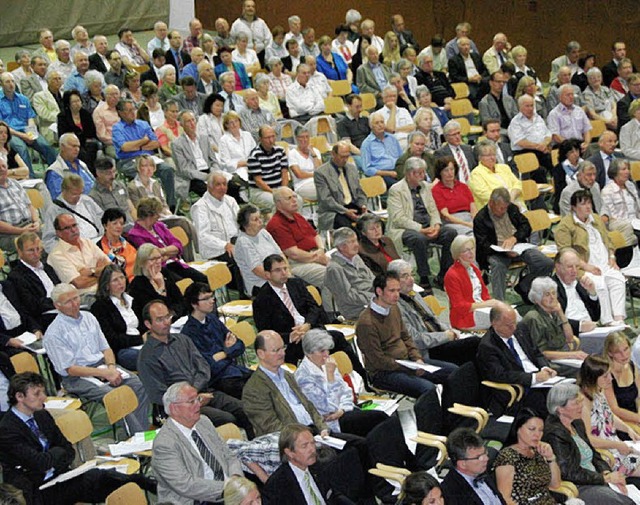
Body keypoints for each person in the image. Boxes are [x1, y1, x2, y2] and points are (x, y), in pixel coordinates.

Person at [0, 372, 155, 505]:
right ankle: (142, 482)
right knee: (97, 479)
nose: (44, 398)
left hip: (60, 475)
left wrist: (54, 455)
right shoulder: (7, 429)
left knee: (104, 481)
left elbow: (67, 449)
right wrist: (56, 454)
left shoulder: (41, 415)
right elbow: (41, 463)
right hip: (37, 490)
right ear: (19, 396)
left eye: (43, 392)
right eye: (37, 394)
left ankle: (139, 482)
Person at [44, 283, 150, 431]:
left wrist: (111, 368)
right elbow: (70, 369)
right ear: (57, 306)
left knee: (137, 384)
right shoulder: (54, 333)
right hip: (77, 377)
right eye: (68, 302)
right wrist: (105, 373)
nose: (75, 304)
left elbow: (105, 348)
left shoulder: (89, 317)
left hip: (102, 365)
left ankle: (140, 429)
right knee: (115, 396)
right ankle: (135, 434)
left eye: (76, 298)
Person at [253, 254, 364, 376]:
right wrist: (290, 336)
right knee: (327, 342)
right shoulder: (261, 300)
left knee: (337, 338)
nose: (284, 273)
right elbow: (265, 332)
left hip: (311, 330)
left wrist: (308, 324)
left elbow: (314, 307)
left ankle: (362, 377)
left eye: (285, 268)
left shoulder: (296, 284)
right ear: (268, 274)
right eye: (278, 270)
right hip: (292, 342)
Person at [357, 272, 454, 398]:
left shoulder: (393, 308)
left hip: (407, 362)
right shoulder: (366, 323)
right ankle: (431, 417)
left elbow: (406, 337)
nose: (397, 295)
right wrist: (410, 368)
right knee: (427, 389)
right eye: (392, 291)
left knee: (452, 371)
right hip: (384, 372)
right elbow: (378, 361)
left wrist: (417, 358)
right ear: (379, 291)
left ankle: (450, 414)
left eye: (398, 290)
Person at [543, 382, 635, 505]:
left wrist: (607, 472)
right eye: (576, 403)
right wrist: (603, 478)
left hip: (596, 478)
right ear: (560, 408)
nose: (581, 406)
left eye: (581, 401)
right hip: (579, 485)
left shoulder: (577, 423)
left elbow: (594, 454)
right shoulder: (554, 433)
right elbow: (568, 472)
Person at [152, 382, 244, 505]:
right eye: (191, 401)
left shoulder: (203, 422)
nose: (198, 405)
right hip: (195, 500)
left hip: (227, 489)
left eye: (198, 399)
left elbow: (229, 455)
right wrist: (229, 488)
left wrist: (236, 477)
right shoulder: (165, 443)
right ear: (174, 408)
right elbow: (186, 485)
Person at [294, 329, 387, 436]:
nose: (326, 355)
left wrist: (343, 409)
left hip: (345, 411)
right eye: (321, 351)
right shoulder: (303, 377)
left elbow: (347, 391)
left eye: (327, 350)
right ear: (308, 353)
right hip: (331, 423)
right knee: (380, 419)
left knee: (381, 422)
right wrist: (330, 378)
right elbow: (328, 409)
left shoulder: (327, 364)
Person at [555, 189, 626, 325]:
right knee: (599, 285)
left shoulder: (596, 219)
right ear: (574, 207)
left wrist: (612, 257)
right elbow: (565, 253)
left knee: (618, 280)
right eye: (583, 204)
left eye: (589, 203)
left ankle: (619, 319)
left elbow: (608, 241)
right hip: (584, 268)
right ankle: (607, 321)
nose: (588, 206)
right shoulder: (565, 226)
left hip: (605, 265)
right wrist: (586, 266)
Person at [390, 258, 480, 365]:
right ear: (393, 280)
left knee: (481, 342)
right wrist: (445, 336)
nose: (411, 280)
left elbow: (433, 319)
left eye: (412, 274)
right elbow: (414, 339)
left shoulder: (415, 295)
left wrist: (451, 331)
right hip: (428, 349)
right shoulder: (395, 306)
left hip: (439, 338)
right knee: (474, 343)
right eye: (405, 276)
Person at [387, 156, 456, 292]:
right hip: (405, 229)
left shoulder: (425, 187)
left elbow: (433, 209)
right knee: (419, 239)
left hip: (428, 226)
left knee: (451, 233)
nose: (422, 176)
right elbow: (398, 219)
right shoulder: (396, 190)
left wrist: (436, 225)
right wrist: (421, 229)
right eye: (418, 173)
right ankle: (424, 277)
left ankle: (443, 275)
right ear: (408, 173)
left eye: (423, 172)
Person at [242, 330, 329, 437]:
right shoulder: (254, 389)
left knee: (353, 444)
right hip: (293, 441)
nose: (282, 353)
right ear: (261, 354)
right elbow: (271, 427)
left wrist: (322, 428)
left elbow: (308, 405)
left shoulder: (288, 375)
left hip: (314, 431)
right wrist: (305, 437)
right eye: (276, 350)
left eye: (283, 348)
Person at [473, 187, 553, 301]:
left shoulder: (511, 208)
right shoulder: (481, 218)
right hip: (496, 251)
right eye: (501, 208)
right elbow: (482, 244)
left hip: (518, 247)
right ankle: (499, 302)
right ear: (491, 203)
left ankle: (524, 284)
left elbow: (526, 226)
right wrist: (503, 251)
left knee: (546, 263)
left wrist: (514, 238)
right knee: (498, 266)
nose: (504, 211)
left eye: (505, 208)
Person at [476, 302, 556, 416]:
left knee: (568, 393)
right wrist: (533, 378)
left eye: (514, 323)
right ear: (495, 324)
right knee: (549, 403)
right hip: (520, 387)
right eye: (509, 325)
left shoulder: (521, 328)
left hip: (541, 378)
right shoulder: (488, 346)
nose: (513, 328)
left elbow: (536, 353)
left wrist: (545, 367)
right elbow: (500, 375)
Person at [180, 282, 252, 399]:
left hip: (235, 371)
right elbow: (207, 366)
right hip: (219, 380)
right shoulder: (189, 334)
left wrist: (223, 354)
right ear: (194, 304)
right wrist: (228, 351)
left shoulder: (212, 319)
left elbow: (239, 345)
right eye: (206, 298)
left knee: (265, 381)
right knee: (253, 393)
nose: (212, 300)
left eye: (211, 296)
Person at [262, 424, 356, 505]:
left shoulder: (319, 467)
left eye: (312, 443)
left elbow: (334, 495)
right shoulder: (277, 486)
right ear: (289, 452)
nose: (312, 449)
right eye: (305, 446)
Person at [578, 355, 640, 475]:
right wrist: (617, 445)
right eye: (605, 376)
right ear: (593, 378)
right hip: (609, 457)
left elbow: (608, 415)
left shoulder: (598, 391)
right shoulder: (583, 403)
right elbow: (588, 439)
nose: (610, 378)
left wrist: (628, 430)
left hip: (618, 448)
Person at [112, 99, 176, 208]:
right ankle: (145, 207)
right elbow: (125, 147)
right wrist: (143, 141)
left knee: (167, 169)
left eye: (134, 109)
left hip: (149, 158)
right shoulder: (117, 128)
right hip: (128, 161)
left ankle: (170, 205)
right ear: (121, 113)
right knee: (142, 171)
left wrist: (137, 146)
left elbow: (156, 143)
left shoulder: (143, 124)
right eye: (128, 110)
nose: (133, 112)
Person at [127, 197, 206, 284]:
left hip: (176, 263)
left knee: (202, 279)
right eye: (157, 213)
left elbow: (178, 244)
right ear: (149, 215)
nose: (159, 216)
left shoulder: (159, 225)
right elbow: (152, 256)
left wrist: (163, 251)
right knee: (184, 285)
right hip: (161, 268)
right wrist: (170, 252)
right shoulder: (135, 234)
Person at [520, 277, 588, 376]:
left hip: (562, 356)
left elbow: (569, 339)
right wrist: (572, 355)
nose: (552, 297)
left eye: (554, 293)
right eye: (547, 294)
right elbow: (542, 353)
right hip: (548, 363)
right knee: (585, 371)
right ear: (537, 298)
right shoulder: (533, 318)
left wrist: (561, 313)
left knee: (593, 364)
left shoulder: (553, 312)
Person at [493, 408, 560, 505]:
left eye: (541, 430)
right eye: (532, 429)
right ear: (518, 429)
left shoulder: (538, 451)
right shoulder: (507, 456)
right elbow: (504, 498)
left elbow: (555, 485)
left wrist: (551, 458)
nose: (537, 434)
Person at [0, 72, 57, 177]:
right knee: (21, 148)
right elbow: (2, 126)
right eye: (7, 82)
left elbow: (30, 117)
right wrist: (24, 136)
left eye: (12, 81)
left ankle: (56, 172)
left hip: (27, 130)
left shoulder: (23, 99)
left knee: (45, 145)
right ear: (1, 84)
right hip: (10, 133)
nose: (11, 84)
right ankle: (30, 177)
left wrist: (31, 132)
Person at [90, 264, 142, 371]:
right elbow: (112, 340)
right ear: (107, 285)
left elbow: (143, 324)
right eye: (115, 280)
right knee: (151, 357)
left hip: (142, 343)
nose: (120, 282)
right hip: (123, 350)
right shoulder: (100, 307)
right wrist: (139, 339)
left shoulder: (132, 299)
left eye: (122, 277)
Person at [444, 235, 498, 330]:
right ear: (458, 254)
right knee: (505, 319)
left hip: (482, 310)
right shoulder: (452, 275)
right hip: (465, 317)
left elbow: (485, 295)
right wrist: (486, 304)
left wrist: (491, 304)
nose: (471, 252)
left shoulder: (474, 269)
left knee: (509, 313)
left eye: (472, 248)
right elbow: (459, 306)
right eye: (466, 250)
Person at [9, 233, 60, 331]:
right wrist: (59, 301)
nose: (36, 254)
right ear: (20, 252)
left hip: (63, 307)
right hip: (46, 315)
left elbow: (60, 286)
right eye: (31, 250)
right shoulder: (16, 276)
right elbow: (33, 305)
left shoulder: (48, 267)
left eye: (38, 249)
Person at [441, 427, 506, 505]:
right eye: (479, 457)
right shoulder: (452, 494)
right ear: (462, 464)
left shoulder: (480, 469)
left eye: (485, 452)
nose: (486, 458)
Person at [324, 227, 375, 320]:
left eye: (355, 240)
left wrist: (382, 291)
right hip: (356, 310)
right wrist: (374, 297)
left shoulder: (356, 257)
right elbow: (348, 297)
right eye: (351, 242)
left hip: (372, 300)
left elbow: (372, 279)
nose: (356, 245)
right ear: (341, 246)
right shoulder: (334, 268)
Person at [314, 141, 367, 231]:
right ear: (333, 154)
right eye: (342, 157)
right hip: (333, 210)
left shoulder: (352, 168)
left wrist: (363, 206)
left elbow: (359, 191)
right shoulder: (321, 173)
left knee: (374, 222)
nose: (345, 159)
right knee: (349, 228)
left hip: (353, 205)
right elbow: (326, 200)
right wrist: (345, 211)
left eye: (347, 156)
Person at [552, 247, 600, 335]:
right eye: (570, 267)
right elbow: (553, 320)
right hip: (571, 335)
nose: (574, 271)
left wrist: (592, 293)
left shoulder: (580, 284)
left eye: (577, 266)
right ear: (558, 267)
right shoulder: (551, 288)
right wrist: (580, 326)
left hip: (592, 330)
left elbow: (595, 316)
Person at [171, 110, 217, 199]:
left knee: (232, 187)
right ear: (182, 124)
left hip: (209, 171)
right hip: (192, 177)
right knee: (212, 191)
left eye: (193, 120)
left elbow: (213, 160)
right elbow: (184, 170)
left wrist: (214, 172)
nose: (192, 123)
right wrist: (206, 177)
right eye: (188, 121)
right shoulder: (177, 144)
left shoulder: (204, 138)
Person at [0, 157, 40, 254]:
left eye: (3, 166)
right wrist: (21, 231)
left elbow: (30, 206)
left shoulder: (15, 184)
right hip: (8, 234)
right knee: (34, 245)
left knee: (54, 234)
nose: (1, 169)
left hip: (30, 226)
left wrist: (37, 222)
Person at [469, 139, 524, 210]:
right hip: (495, 210)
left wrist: (512, 196)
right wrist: (508, 202)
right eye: (488, 155)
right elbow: (487, 196)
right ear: (480, 157)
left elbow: (518, 184)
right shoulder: (476, 174)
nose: (492, 158)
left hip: (517, 203)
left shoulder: (504, 167)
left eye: (494, 154)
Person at [247, 126, 290, 213]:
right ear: (260, 139)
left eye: (273, 136)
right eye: (267, 138)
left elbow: (284, 173)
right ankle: (278, 226)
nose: (271, 140)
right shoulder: (254, 155)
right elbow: (258, 181)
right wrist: (275, 193)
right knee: (278, 203)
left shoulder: (280, 151)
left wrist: (283, 189)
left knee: (297, 200)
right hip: (260, 191)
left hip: (278, 188)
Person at [431, 156, 476, 235]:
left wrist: (476, 223)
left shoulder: (463, 186)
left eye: (452, 169)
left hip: (469, 218)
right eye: (446, 170)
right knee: (471, 234)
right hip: (452, 222)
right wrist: (468, 225)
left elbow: (473, 210)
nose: (450, 173)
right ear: (440, 172)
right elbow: (446, 216)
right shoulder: (437, 190)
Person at [603, 333, 640, 428]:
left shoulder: (632, 366)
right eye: (618, 352)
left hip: (635, 417)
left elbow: (639, 397)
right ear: (610, 353)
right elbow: (614, 409)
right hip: (619, 423)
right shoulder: (606, 374)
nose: (624, 355)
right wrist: (637, 418)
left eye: (626, 349)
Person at [360, 110, 403, 188]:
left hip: (398, 170)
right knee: (400, 187)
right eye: (377, 123)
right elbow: (367, 169)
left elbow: (402, 158)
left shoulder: (392, 138)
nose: (380, 125)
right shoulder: (367, 144)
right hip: (382, 175)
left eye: (382, 122)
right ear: (371, 126)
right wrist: (388, 173)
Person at [547, 85, 592, 150]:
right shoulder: (554, 114)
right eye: (568, 95)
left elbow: (587, 130)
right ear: (560, 97)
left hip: (580, 144)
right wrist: (571, 146)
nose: (571, 97)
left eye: (572, 94)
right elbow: (555, 136)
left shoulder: (579, 110)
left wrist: (587, 143)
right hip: (564, 146)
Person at [218, 110, 255, 186]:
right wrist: (244, 163)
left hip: (252, 167)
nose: (234, 124)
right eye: (231, 122)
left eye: (236, 121)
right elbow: (226, 163)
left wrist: (251, 163)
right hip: (236, 171)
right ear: (226, 125)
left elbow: (255, 153)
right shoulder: (224, 140)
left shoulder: (247, 135)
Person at [288, 126, 320, 201]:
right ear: (296, 138)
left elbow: (320, 170)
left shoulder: (315, 151)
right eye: (301, 137)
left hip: (318, 182)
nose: (305, 140)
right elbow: (299, 174)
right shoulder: (292, 154)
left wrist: (313, 154)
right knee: (324, 191)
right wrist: (315, 174)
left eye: (307, 137)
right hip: (302, 185)